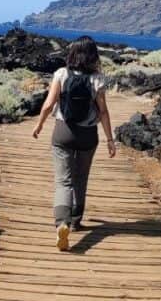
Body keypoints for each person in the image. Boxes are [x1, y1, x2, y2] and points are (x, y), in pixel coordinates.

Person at [32, 36, 116, 251]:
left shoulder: (61, 73)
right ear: (92, 55)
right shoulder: (97, 79)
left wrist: (40, 125)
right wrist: (109, 139)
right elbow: (103, 111)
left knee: (63, 182)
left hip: (63, 133)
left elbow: (49, 104)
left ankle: (62, 223)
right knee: (81, 178)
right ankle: (76, 220)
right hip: (88, 135)